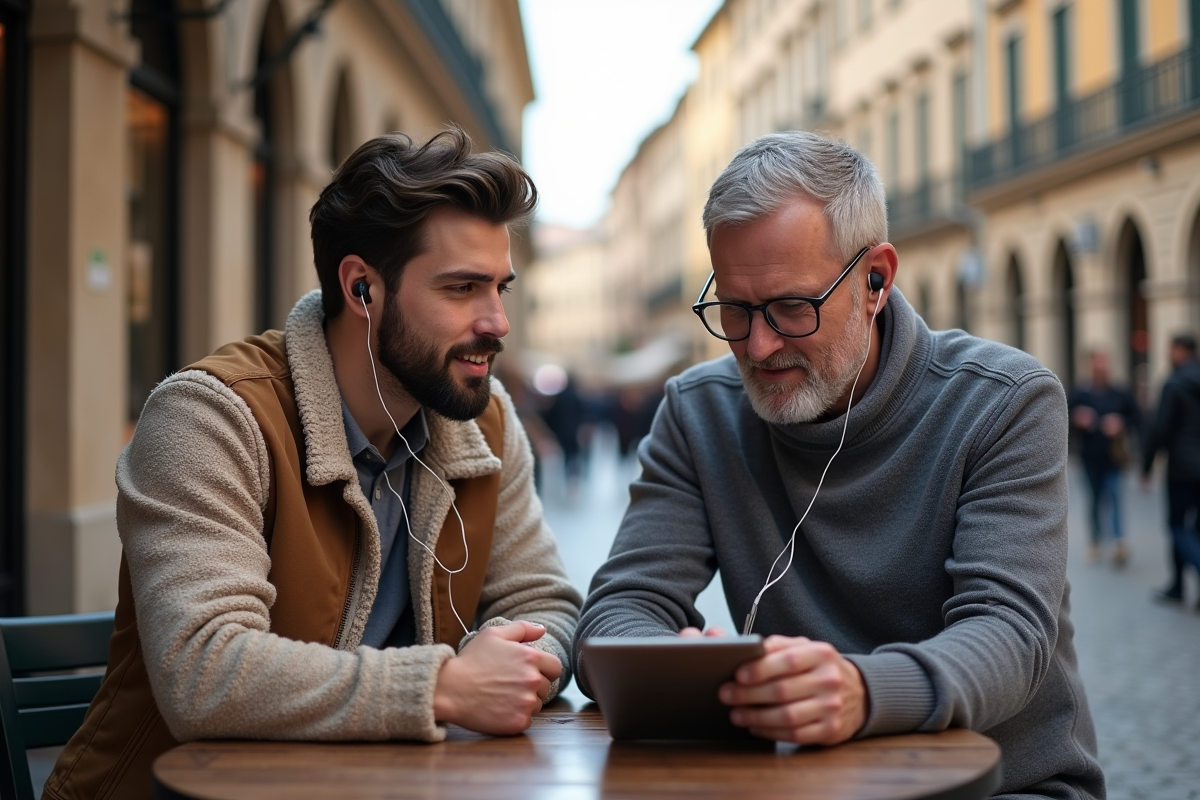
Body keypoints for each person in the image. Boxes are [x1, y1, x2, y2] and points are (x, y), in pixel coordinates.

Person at [45, 129, 582, 800]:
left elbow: (546, 600)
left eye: (499, 286)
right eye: (463, 288)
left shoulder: (486, 422)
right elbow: (204, 672)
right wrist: (445, 685)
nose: (498, 321)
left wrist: (513, 662)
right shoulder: (213, 417)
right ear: (361, 288)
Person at [573, 132, 1103, 799]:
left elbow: (1008, 637)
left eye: (792, 307)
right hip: (800, 785)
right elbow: (616, 615)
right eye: (734, 311)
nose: (759, 346)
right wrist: (677, 668)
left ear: (875, 279)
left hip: (1004, 786)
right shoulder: (697, 411)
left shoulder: (1004, 401)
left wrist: (859, 691)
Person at [1141, 333, 1200, 606]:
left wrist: (1147, 466)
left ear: (1178, 350)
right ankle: (1178, 586)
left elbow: (1160, 429)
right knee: (1195, 529)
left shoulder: (1174, 383)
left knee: (1177, 525)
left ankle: (1184, 582)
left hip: (1182, 468)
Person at [1068, 349, 1140, 565]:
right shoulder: (1081, 393)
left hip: (1114, 457)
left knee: (1114, 496)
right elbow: (1065, 418)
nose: (1101, 368)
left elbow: (1136, 417)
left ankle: (1119, 542)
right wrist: (1078, 420)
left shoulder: (1120, 392)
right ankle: (1096, 540)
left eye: (1104, 363)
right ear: (1090, 366)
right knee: (1095, 500)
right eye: (1097, 364)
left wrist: (1121, 423)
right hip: (1090, 457)